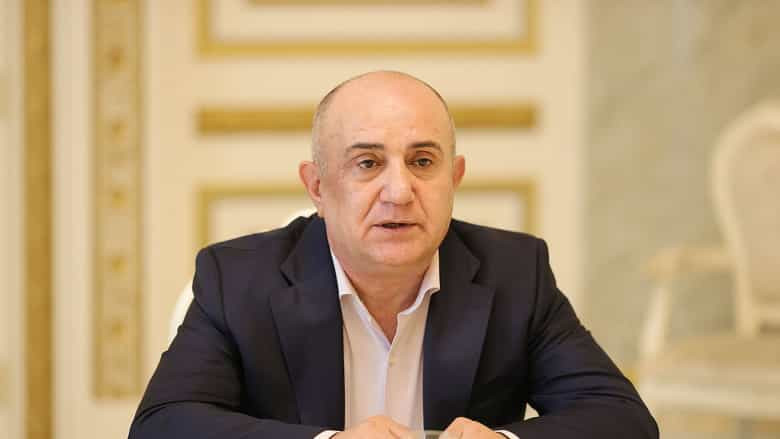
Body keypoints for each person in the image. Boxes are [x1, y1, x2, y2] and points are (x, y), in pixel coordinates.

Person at [129, 71, 658, 439]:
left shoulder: (516, 274)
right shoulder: (238, 278)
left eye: (423, 161)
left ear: (454, 179)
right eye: (367, 164)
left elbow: (621, 419)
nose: (400, 192)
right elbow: (164, 425)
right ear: (317, 187)